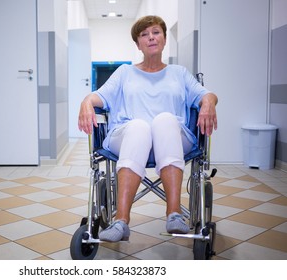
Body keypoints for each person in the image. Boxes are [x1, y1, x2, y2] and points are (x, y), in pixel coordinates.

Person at [78, 15, 218, 242]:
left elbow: (207, 94)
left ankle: (174, 214)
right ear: (138, 44)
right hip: (128, 137)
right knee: (140, 127)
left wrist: (209, 103)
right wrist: (86, 103)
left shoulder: (179, 73)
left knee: (164, 120)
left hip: (172, 138)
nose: (151, 37)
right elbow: (99, 97)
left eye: (156, 32)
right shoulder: (124, 72)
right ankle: (121, 220)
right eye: (144, 34)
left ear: (163, 39)